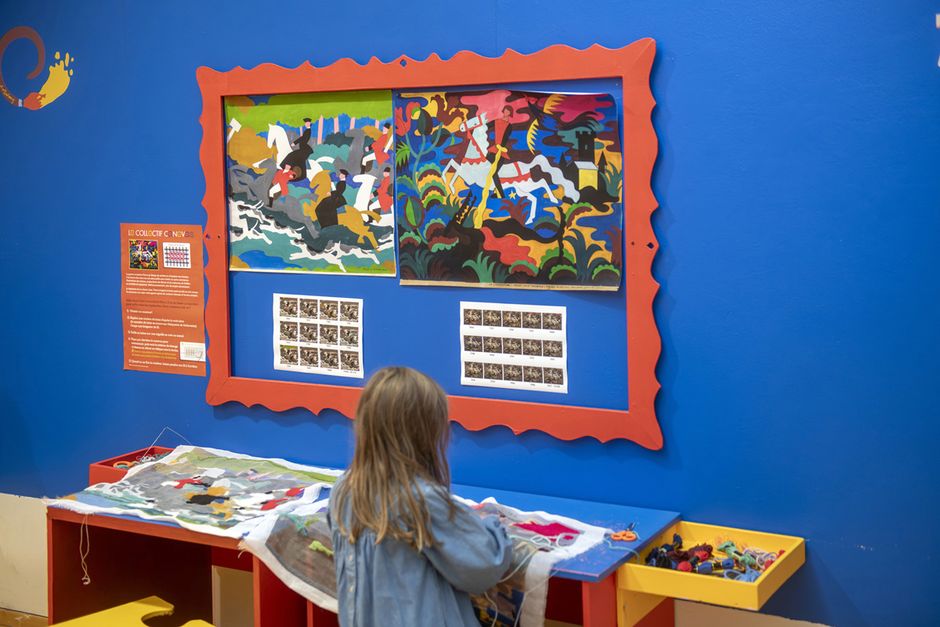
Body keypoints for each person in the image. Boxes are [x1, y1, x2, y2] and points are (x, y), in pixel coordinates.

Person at [329, 367, 513, 627]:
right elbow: (484, 566)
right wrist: (493, 527)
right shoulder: (421, 500)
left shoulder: (343, 490)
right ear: (424, 433)